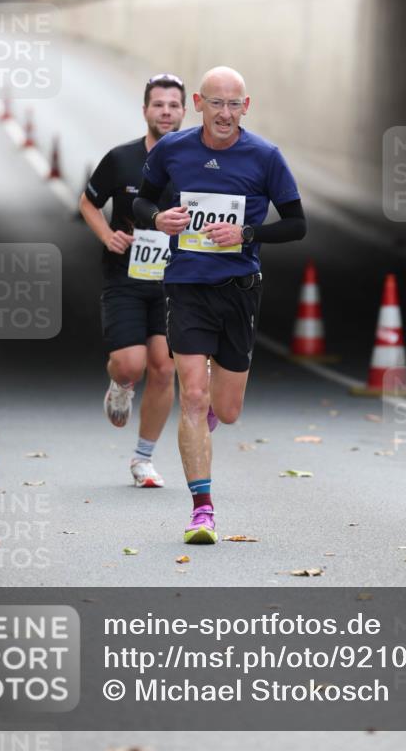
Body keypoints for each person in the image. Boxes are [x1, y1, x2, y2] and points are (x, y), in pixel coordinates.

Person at [134, 66, 307, 543]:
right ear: (198, 103)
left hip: (239, 289)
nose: (225, 114)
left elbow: (297, 224)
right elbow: (141, 203)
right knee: (191, 394)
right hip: (187, 286)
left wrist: (247, 233)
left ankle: (211, 411)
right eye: (216, 103)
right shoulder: (173, 149)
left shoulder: (265, 157)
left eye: (234, 104)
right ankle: (202, 511)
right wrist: (158, 217)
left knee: (226, 410)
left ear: (245, 107)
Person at [79, 74, 187, 487]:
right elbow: (88, 203)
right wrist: (107, 235)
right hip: (125, 275)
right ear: (145, 111)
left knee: (163, 368)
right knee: (131, 365)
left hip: (174, 282)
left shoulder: (194, 162)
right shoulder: (121, 159)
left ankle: (143, 459)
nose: (165, 111)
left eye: (173, 105)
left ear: (183, 112)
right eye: (158, 104)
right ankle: (119, 383)